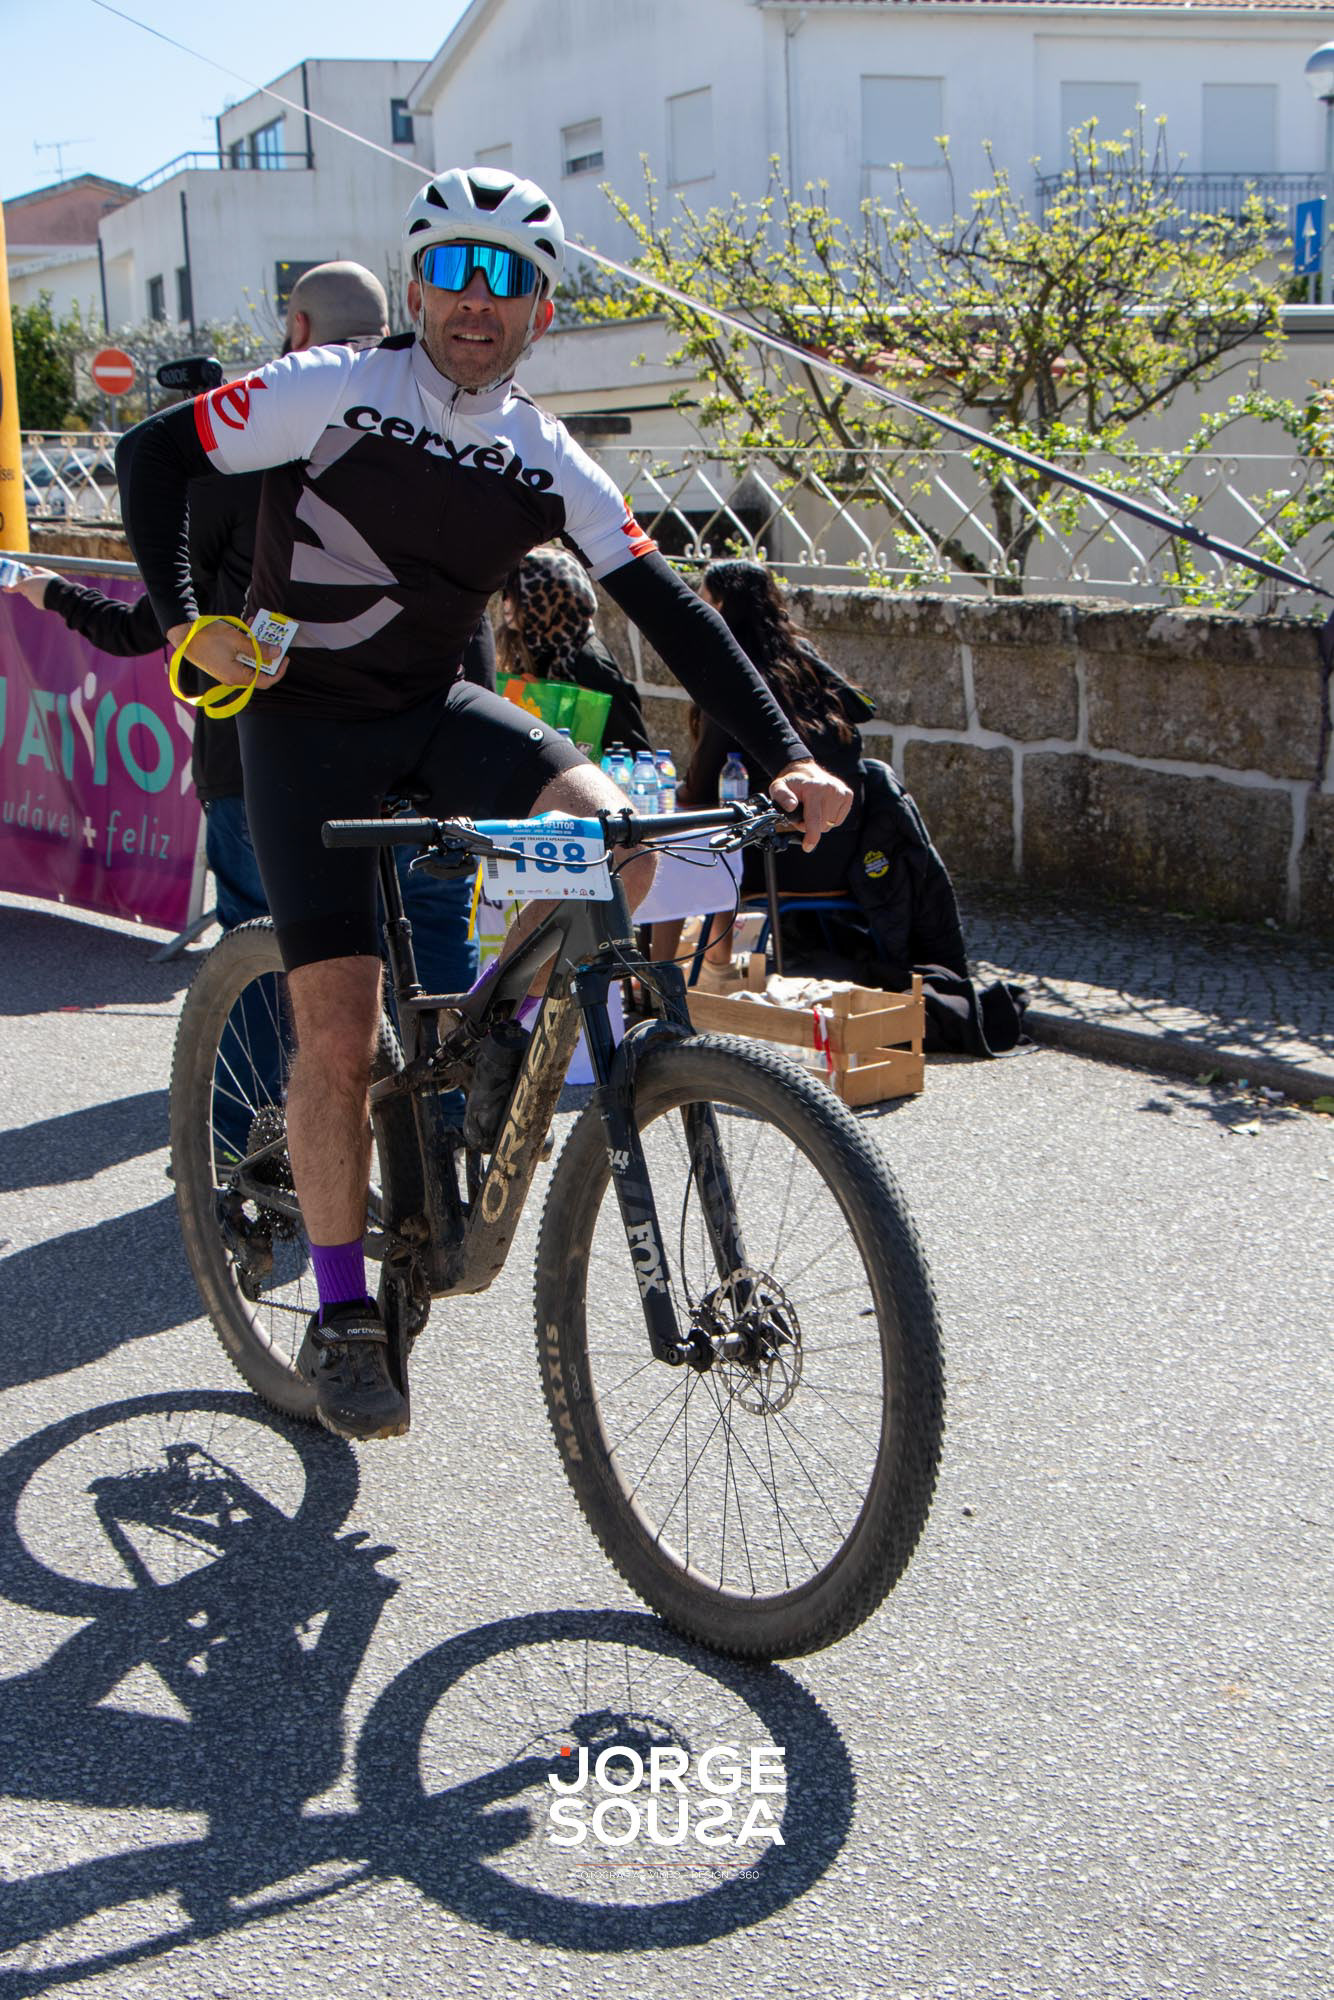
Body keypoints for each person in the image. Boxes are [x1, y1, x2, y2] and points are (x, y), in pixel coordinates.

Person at [116, 164, 851, 1444]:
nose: (477, 297)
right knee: (338, 1035)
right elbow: (150, 457)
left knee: (618, 842)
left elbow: (673, 611)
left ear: (540, 311)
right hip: (300, 728)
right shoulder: (327, 385)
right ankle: (344, 1311)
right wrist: (189, 622)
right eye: (453, 269)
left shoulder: (544, 456)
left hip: (430, 709)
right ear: (415, 288)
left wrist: (786, 751)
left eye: (506, 276)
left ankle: (501, 1029)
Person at [4, 260, 494, 976]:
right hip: (432, 751)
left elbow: (154, 616)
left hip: (266, 759)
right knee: (436, 955)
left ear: (297, 328)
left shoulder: (236, 452)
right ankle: (454, 1059)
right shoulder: (446, 430)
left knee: (271, 964)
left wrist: (54, 596)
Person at [654, 559, 873, 978]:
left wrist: (670, 793)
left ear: (719, 607)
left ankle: (670, 977)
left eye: (702, 600)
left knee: (677, 841)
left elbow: (700, 788)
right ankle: (707, 964)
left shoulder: (737, 684)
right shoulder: (804, 667)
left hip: (777, 858)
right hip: (845, 852)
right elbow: (862, 709)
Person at [497, 544, 650, 755]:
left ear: (547, 598)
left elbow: (632, 750)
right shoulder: (530, 650)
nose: (505, 603)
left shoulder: (589, 661)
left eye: (514, 594)